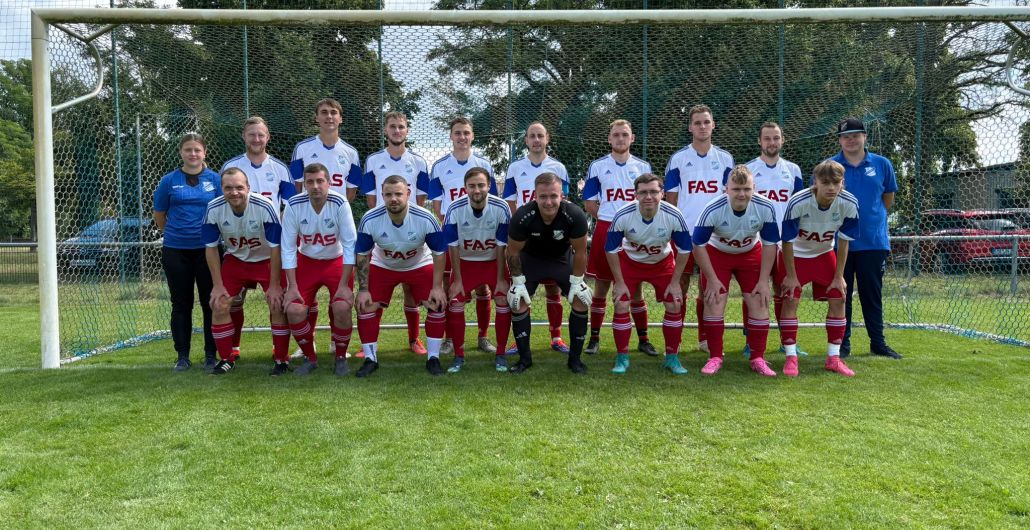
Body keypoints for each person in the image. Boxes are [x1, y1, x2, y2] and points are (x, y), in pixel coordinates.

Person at [289, 98, 363, 358]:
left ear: (341, 118)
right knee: (306, 295)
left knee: (339, 295)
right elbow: (298, 186)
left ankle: (335, 340)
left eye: (334, 113)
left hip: (337, 222)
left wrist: (335, 209)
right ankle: (307, 342)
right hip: (309, 222)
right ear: (317, 117)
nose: (329, 117)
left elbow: (351, 192)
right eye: (324, 112)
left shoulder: (351, 152)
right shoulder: (302, 148)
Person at [354, 175, 449, 377]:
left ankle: (433, 358)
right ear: (382, 195)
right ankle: (370, 359)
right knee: (365, 305)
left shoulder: (425, 218)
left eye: (398, 194)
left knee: (437, 303)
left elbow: (439, 253)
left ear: (408, 193)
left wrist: (437, 287)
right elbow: (362, 255)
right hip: (383, 265)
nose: (393, 199)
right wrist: (362, 289)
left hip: (418, 264)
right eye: (388, 194)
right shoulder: (370, 218)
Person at [691, 165, 780, 377]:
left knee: (759, 300)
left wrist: (763, 281)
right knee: (714, 300)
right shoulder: (713, 208)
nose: (742, 194)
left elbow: (770, 244)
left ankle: (758, 358)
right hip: (717, 253)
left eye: (747, 189)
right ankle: (715, 356)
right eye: (736, 189)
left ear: (754, 188)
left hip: (750, 253)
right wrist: (712, 279)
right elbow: (698, 245)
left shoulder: (765, 206)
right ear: (726, 189)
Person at [220, 116, 296, 359]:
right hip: (239, 246)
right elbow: (221, 203)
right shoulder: (232, 166)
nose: (256, 139)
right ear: (244, 136)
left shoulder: (280, 168)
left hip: (269, 248)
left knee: (276, 300)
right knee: (233, 301)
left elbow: (290, 206)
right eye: (252, 134)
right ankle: (233, 349)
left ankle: (279, 351)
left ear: (268, 137)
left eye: (260, 135)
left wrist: (277, 228)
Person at [201, 168, 287, 375]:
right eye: (228, 188)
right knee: (219, 304)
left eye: (239, 187)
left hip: (267, 259)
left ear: (248, 187)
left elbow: (276, 247)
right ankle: (227, 358)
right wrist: (217, 285)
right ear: (222, 189)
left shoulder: (264, 205)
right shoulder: (213, 208)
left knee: (277, 304)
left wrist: (275, 285)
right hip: (236, 260)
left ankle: (281, 359)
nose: (234, 192)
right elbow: (210, 248)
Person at [604, 173, 693, 375]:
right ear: (635, 195)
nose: (649, 196)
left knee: (674, 303)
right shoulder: (623, 214)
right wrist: (619, 282)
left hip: (661, 264)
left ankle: (672, 358)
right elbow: (610, 249)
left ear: (662, 193)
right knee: (621, 303)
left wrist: (675, 282)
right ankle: (622, 357)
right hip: (630, 262)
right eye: (643, 192)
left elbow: (685, 249)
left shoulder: (673, 214)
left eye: (653, 191)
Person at [778, 160, 860, 377]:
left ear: (842, 182)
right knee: (790, 298)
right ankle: (791, 357)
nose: (831, 187)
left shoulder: (849, 203)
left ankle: (833, 358)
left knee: (839, 297)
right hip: (795, 255)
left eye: (836, 182)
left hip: (824, 253)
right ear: (815, 182)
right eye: (825, 182)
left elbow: (844, 241)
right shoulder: (798, 201)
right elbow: (786, 241)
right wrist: (791, 276)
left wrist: (839, 276)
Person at [581, 120, 656, 357]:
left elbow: (649, 200)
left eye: (625, 134)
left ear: (632, 138)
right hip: (607, 228)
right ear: (609, 139)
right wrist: (611, 220)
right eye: (616, 135)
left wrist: (630, 222)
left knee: (635, 288)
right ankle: (594, 339)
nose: (620, 138)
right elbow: (589, 202)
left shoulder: (642, 166)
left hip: (635, 232)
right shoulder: (598, 166)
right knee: (601, 286)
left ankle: (643, 339)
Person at [664, 105, 734, 354]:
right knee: (678, 285)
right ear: (690, 127)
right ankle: (675, 339)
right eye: (697, 123)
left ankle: (705, 339)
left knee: (709, 288)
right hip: (684, 233)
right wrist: (674, 229)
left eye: (706, 122)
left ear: (713, 125)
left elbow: (729, 196)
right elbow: (670, 199)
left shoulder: (725, 159)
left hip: (714, 236)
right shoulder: (678, 159)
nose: (702, 126)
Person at [360, 111, 431, 355]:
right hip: (383, 231)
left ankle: (414, 339)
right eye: (392, 126)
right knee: (375, 293)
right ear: (385, 130)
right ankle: (370, 345)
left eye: (401, 127)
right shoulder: (373, 160)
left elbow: (420, 201)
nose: (397, 131)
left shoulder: (419, 162)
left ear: (407, 131)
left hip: (411, 232)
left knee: (412, 291)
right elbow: (371, 200)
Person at [505, 173, 592, 374]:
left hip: (561, 260)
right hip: (531, 260)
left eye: (553, 196)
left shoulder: (574, 214)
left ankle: (575, 360)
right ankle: (524, 360)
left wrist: (578, 281)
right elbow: (513, 252)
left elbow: (580, 251)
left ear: (562, 195)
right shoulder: (523, 215)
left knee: (581, 299)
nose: (549, 202)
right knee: (518, 302)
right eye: (543, 196)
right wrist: (517, 282)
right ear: (535, 196)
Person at [831, 118, 902, 359]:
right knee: (841, 295)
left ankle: (878, 343)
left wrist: (870, 220)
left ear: (864, 137)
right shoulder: (830, 166)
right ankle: (841, 345)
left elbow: (887, 199)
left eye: (855, 135)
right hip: (838, 242)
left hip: (873, 242)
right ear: (840, 140)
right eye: (845, 136)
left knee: (872, 295)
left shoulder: (882, 164)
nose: (850, 140)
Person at [428, 117, 499, 355]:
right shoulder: (439, 166)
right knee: (451, 286)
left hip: (482, 233)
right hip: (453, 234)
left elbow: (492, 200)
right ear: (451, 136)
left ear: (472, 136)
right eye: (457, 133)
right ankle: (450, 338)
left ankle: (483, 336)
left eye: (466, 133)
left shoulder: (484, 164)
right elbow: (437, 206)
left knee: (483, 288)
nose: (462, 137)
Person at [280, 163, 358, 376]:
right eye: (310, 182)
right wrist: (292, 286)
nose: (315, 186)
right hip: (307, 262)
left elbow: (350, 245)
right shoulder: (294, 204)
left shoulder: (340, 202)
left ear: (329, 183)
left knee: (342, 306)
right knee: (294, 309)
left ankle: (340, 357)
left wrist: (344, 284)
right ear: (304, 184)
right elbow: (288, 247)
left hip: (336, 262)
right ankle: (310, 358)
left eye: (320, 181)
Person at [153, 132, 222, 372]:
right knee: (181, 304)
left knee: (211, 302)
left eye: (197, 150)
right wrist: (176, 233)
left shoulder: (215, 179)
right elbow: (159, 214)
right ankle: (182, 356)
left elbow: (222, 210)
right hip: (176, 250)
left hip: (208, 250)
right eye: (188, 150)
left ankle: (211, 355)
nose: (193, 154)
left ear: (204, 152)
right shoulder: (168, 181)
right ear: (181, 152)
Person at [501, 122, 571, 354]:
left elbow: (564, 201)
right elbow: (510, 202)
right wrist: (521, 226)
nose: (536, 140)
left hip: (553, 236)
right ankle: (519, 340)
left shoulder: (558, 167)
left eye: (540, 135)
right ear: (526, 140)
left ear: (547, 138)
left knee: (554, 290)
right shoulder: (515, 167)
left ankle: (556, 337)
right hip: (526, 237)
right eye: (532, 136)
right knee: (521, 289)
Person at [743, 122, 805, 358]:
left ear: (782, 140)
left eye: (776, 138)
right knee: (754, 291)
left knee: (785, 289)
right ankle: (751, 340)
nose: (772, 142)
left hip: (785, 242)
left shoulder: (793, 170)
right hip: (756, 241)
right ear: (759, 141)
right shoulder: (748, 170)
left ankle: (786, 340)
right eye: (767, 138)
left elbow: (799, 206)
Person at [442, 167, 512, 372]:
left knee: (502, 299)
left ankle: (500, 354)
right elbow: (453, 246)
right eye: (472, 186)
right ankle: (459, 356)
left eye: (481, 185)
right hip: (465, 262)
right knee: (456, 301)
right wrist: (457, 280)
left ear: (489, 186)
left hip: (493, 262)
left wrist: (501, 279)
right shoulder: (454, 208)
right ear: (465, 188)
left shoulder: (501, 207)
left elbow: (502, 245)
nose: (477, 190)